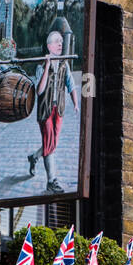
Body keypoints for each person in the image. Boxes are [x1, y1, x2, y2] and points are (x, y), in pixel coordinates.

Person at [26, 29, 79, 194]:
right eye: (57, 42)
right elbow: (40, 91)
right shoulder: (41, 66)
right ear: (49, 46)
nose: (60, 44)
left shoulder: (64, 64)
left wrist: (76, 104)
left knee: (52, 144)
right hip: (45, 111)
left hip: (59, 109)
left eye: (61, 42)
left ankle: (34, 157)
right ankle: (51, 181)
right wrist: (48, 65)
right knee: (50, 144)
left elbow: (71, 86)